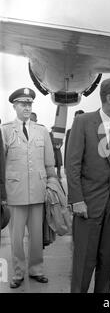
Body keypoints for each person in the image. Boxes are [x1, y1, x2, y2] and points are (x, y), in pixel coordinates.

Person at [66, 78, 110, 293]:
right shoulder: (83, 122)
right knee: (84, 262)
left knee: (107, 261)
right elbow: (72, 164)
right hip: (88, 205)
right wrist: (76, 199)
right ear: (109, 98)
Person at [1, 87, 57, 288]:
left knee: (36, 236)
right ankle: (17, 273)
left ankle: (36, 270)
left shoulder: (41, 130)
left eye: (29, 104)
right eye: (23, 104)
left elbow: (49, 162)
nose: (26, 107)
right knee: (15, 238)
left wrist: (52, 184)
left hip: (38, 190)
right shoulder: (5, 131)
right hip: (15, 192)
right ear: (14, 106)